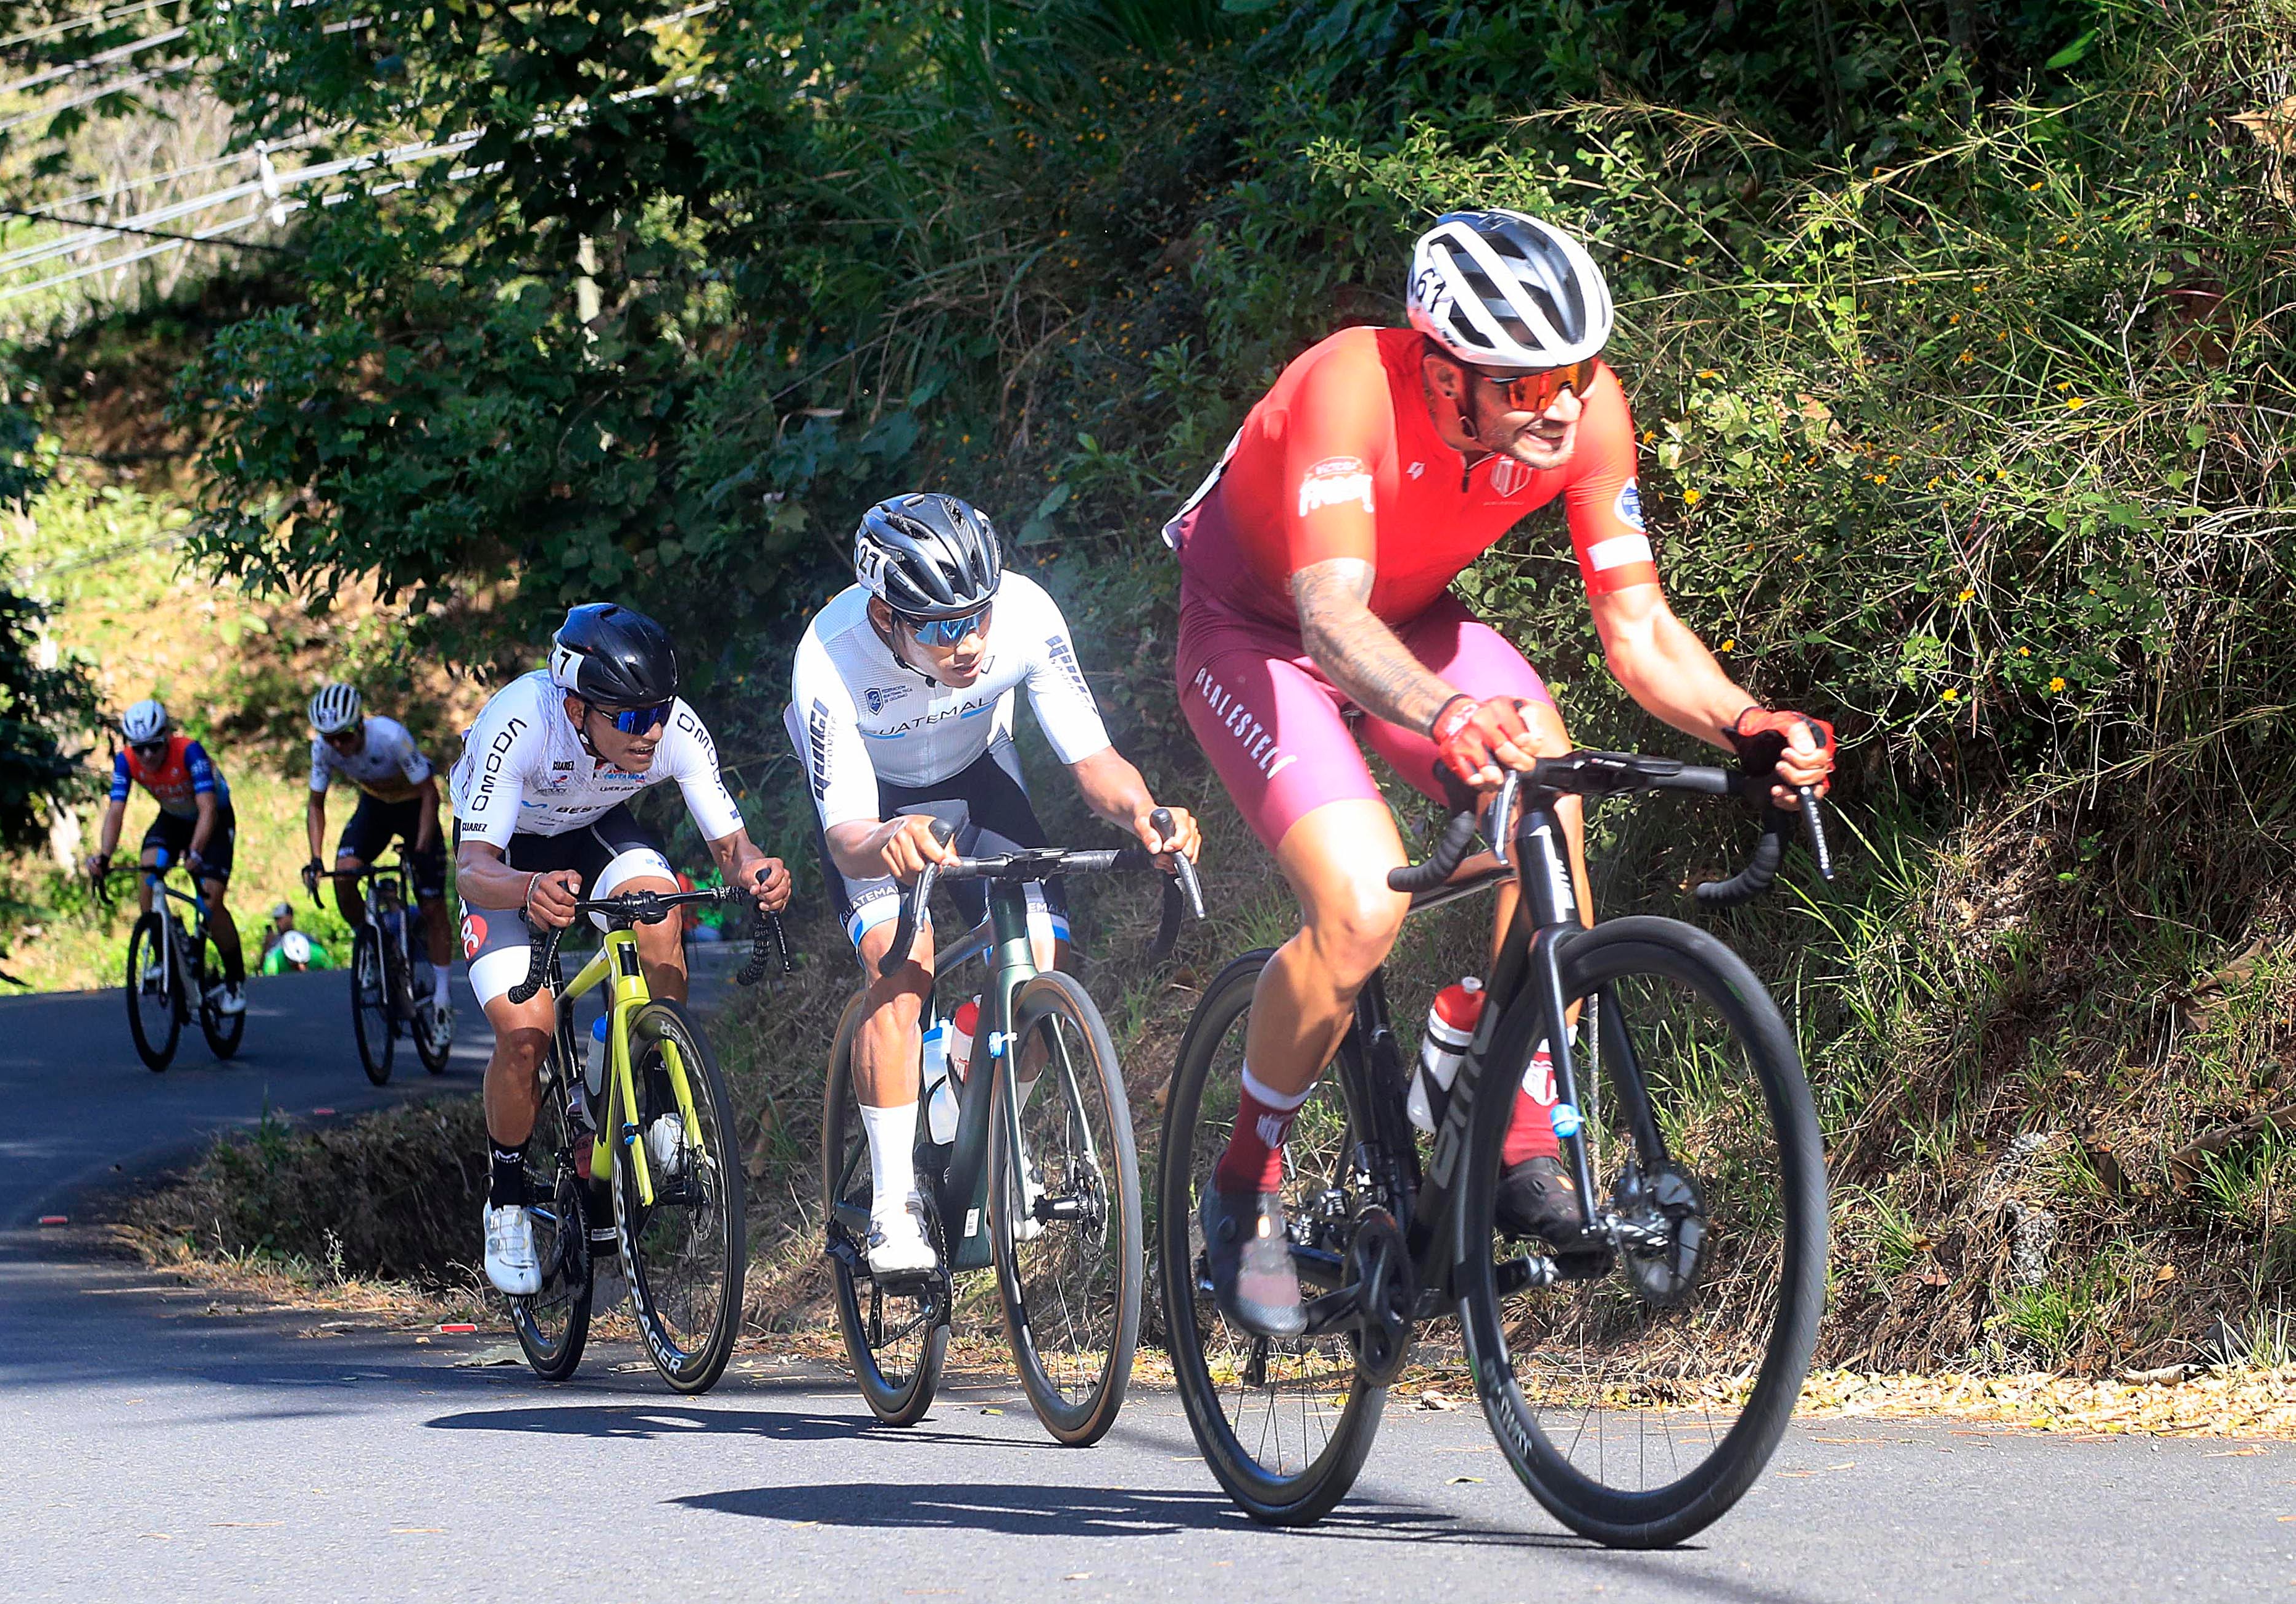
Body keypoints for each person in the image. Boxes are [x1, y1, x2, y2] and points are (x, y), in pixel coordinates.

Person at [1166, 210, 1837, 1337]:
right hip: (1255, 629)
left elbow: (1637, 625)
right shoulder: (1347, 386)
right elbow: (1326, 618)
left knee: (1548, 780)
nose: (1563, 404)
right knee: (1355, 902)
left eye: (1573, 371)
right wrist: (1446, 711)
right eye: (1525, 385)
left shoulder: (1586, 415)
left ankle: (1509, 1115)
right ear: (1443, 377)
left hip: (1414, 621)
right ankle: (1243, 1181)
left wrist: (1743, 721)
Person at [786, 492, 1199, 1277]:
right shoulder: (829, 654)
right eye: (941, 627)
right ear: (885, 618)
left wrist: (1146, 814)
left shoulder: (1026, 614)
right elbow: (843, 839)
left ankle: (962, 1078)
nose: (969, 641)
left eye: (976, 614)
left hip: (978, 775)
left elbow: (1093, 764)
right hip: (872, 809)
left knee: (1043, 963)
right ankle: (892, 1200)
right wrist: (888, 837)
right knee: (901, 971)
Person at [452, 604, 792, 1295]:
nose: (653, 732)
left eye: (660, 712)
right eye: (633, 719)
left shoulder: (668, 729)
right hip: (507, 856)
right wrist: (525, 890)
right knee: (527, 1034)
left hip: (597, 829)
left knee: (659, 918)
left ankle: (648, 1082)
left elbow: (730, 846)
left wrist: (757, 871)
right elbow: (471, 867)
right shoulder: (517, 723)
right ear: (577, 708)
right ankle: (508, 1198)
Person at [298, 681, 454, 1051]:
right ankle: (370, 943)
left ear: (362, 725)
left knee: (432, 906)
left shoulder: (391, 738)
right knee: (344, 875)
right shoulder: (324, 749)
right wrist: (316, 858)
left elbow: (431, 793)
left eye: (346, 735)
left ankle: (443, 999)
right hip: (377, 808)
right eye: (330, 737)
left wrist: (420, 846)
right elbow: (316, 804)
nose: (339, 745)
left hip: (416, 807)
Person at [86, 699, 246, 1015]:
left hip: (212, 821)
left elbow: (208, 809)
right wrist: (104, 857)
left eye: (154, 747)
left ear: (167, 737)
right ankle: (164, 954)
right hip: (172, 819)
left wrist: (197, 851)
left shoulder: (190, 752)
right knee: (149, 876)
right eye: (140, 747)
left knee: (210, 904)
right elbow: (116, 811)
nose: (147, 756)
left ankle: (235, 981)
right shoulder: (126, 760)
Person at [256, 901, 318, 973]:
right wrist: (266, 946)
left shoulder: (304, 939)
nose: (277, 923)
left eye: (280, 919)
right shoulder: (274, 941)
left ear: (290, 917)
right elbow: (263, 968)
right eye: (276, 920)